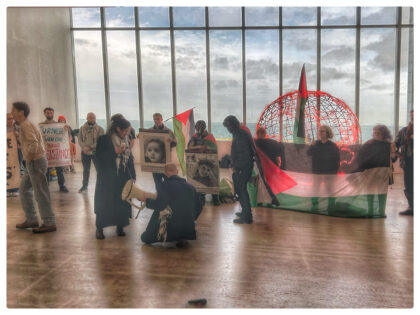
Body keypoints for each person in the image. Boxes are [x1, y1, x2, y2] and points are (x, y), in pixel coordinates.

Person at [11, 102, 57, 233]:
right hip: (33, 161)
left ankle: (49, 222)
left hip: (35, 161)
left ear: (21, 112)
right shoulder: (24, 125)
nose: (12, 112)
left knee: (40, 192)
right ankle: (31, 219)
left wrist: (29, 158)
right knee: (24, 190)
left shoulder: (26, 126)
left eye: (13, 110)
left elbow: (34, 145)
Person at [94, 115, 136, 239]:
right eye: (125, 130)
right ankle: (99, 228)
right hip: (107, 177)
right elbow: (98, 157)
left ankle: (120, 226)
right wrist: (114, 152)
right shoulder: (104, 139)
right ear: (118, 128)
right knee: (104, 202)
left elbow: (130, 158)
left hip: (122, 176)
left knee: (121, 201)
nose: (127, 133)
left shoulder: (126, 139)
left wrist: (132, 175)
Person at [139, 163, 200, 247]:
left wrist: (146, 200)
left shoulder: (165, 185)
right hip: (188, 229)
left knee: (144, 238)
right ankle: (182, 237)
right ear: (177, 172)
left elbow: (159, 205)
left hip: (171, 227)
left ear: (165, 173)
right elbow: (199, 206)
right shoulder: (191, 187)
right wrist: (192, 218)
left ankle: (173, 235)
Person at [355, 124, 397, 217]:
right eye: (375, 133)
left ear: (384, 134)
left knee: (381, 192)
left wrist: (393, 151)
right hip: (370, 172)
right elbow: (360, 157)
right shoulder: (368, 144)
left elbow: (393, 159)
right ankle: (370, 211)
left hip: (382, 173)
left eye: (378, 133)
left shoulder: (388, 145)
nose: (376, 134)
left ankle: (381, 212)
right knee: (370, 191)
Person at [223, 115, 255, 224]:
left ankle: (247, 216)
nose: (228, 129)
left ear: (233, 125)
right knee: (241, 190)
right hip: (242, 166)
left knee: (242, 191)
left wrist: (236, 167)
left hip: (243, 167)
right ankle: (245, 212)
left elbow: (244, 156)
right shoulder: (238, 134)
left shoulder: (241, 136)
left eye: (228, 127)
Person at [306, 125, 340, 213]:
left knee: (330, 189)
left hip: (329, 172)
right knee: (315, 189)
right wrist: (312, 146)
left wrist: (334, 173)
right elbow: (308, 153)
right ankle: (314, 207)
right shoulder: (315, 143)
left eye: (322, 131)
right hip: (317, 171)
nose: (320, 133)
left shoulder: (332, 145)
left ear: (327, 133)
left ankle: (331, 207)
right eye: (319, 131)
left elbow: (337, 160)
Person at [187, 120, 220, 206]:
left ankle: (215, 198)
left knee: (212, 179)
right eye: (197, 127)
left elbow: (214, 149)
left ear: (204, 127)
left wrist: (207, 148)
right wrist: (200, 146)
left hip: (208, 160)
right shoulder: (194, 136)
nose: (199, 128)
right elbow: (189, 147)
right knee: (198, 179)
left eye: (200, 126)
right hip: (199, 160)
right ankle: (201, 197)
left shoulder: (209, 137)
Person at [39, 107, 69, 192]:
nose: (49, 114)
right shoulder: (41, 125)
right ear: (44, 114)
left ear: (53, 114)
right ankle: (46, 186)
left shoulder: (59, 125)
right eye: (47, 113)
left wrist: (66, 128)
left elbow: (64, 136)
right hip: (46, 151)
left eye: (51, 113)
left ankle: (62, 186)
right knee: (46, 170)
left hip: (57, 151)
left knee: (60, 170)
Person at [148, 113, 177, 190]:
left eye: (158, 119)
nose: (156, 121)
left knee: (168, 179)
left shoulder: (168, 131)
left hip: (165, 160)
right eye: (155, 119)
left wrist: (171, 142)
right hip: (155, 161)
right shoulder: (150, 131)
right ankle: (160, 196)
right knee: (157, 181)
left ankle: (167, 196)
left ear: (162, 119)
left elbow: (175, 143)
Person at [78, 112, 105, 193]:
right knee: (86, 170)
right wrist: (84, 148)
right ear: (87, 118)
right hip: (85, 152)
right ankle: (84, 186)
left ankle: (102, 186)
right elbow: (79, 140)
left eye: (93, 118)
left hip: (95, 153)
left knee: (99, 169)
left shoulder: (100, 129)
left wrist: (90, 148)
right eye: (90, 117)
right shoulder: (82, 128)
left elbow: (100, 142)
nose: (92, 119)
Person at [395, 110, 414, 215]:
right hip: (408, 162)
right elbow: (395, 144)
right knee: (409, 185)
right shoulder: (404, 131)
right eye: (412, 116)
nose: (413, 117)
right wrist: (398, 154)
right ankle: (412, 208)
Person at [7, 113, 22, 197]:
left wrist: (18, 135)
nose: (11, 120)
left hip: (17, 151)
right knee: (7, 169)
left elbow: (23, 140)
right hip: (7, 152)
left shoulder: (17, 128)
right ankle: (7, 188)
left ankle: (15, 188)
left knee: (16, 169)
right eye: (9, 119)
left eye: (12, 118)